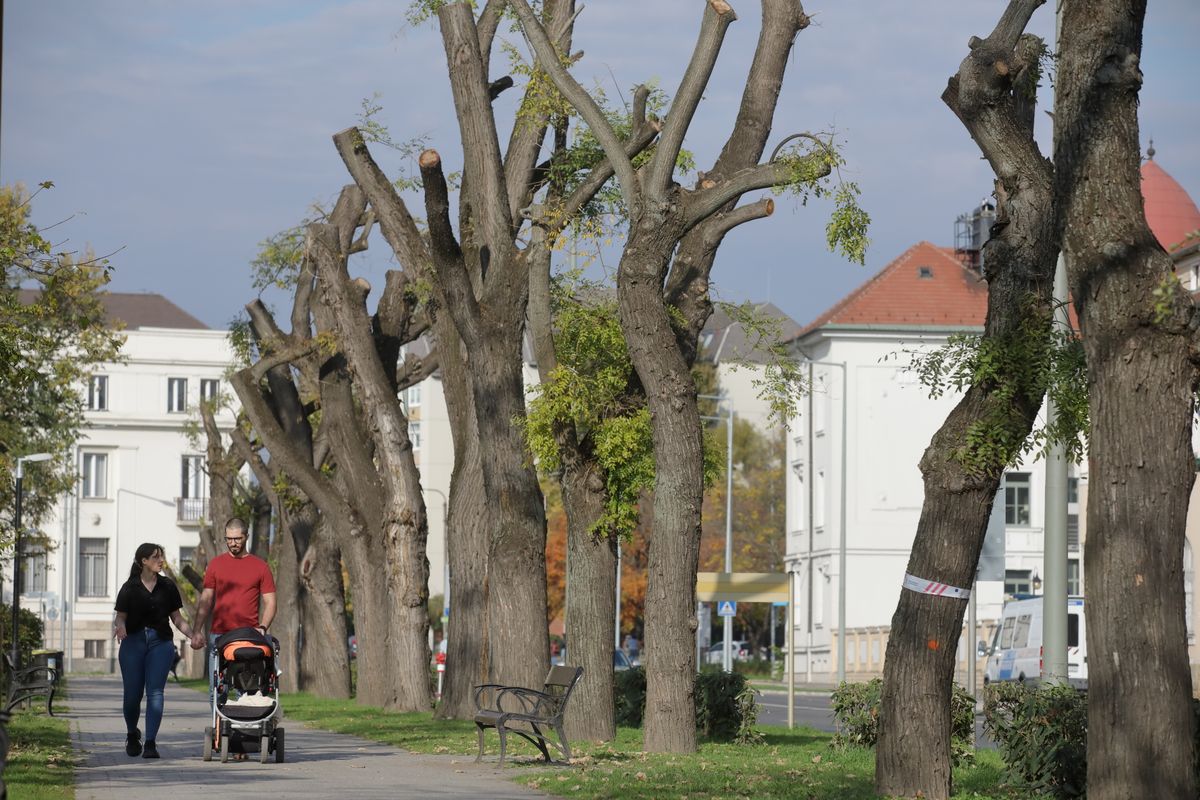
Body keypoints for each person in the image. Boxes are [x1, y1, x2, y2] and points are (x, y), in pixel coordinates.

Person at [113, 542, 201, 759]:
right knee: (132, 696)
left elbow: (177, 619)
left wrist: (193, 635)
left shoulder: (168, 586)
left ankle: (151, 742)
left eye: (161, 556)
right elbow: (120, 616)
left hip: (160, 644)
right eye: (156, 557)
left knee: (155, 693)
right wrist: (121, 627)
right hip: (133, 643)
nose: (161, 560)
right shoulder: (129, 587)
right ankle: (132, 734)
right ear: (144, 561)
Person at [190, 518, 276, 688]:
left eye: (237, 539)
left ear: (247, 536)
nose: (233, 543)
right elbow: (206, 599)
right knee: (216, 691)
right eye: (229, 539)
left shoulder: (261, 567)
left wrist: (263, 627)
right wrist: (196, 630)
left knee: (244, 688)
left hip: (248, 636)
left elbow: (271, 602)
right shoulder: (215, 565)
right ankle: (217, 716)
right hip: (219, 635)